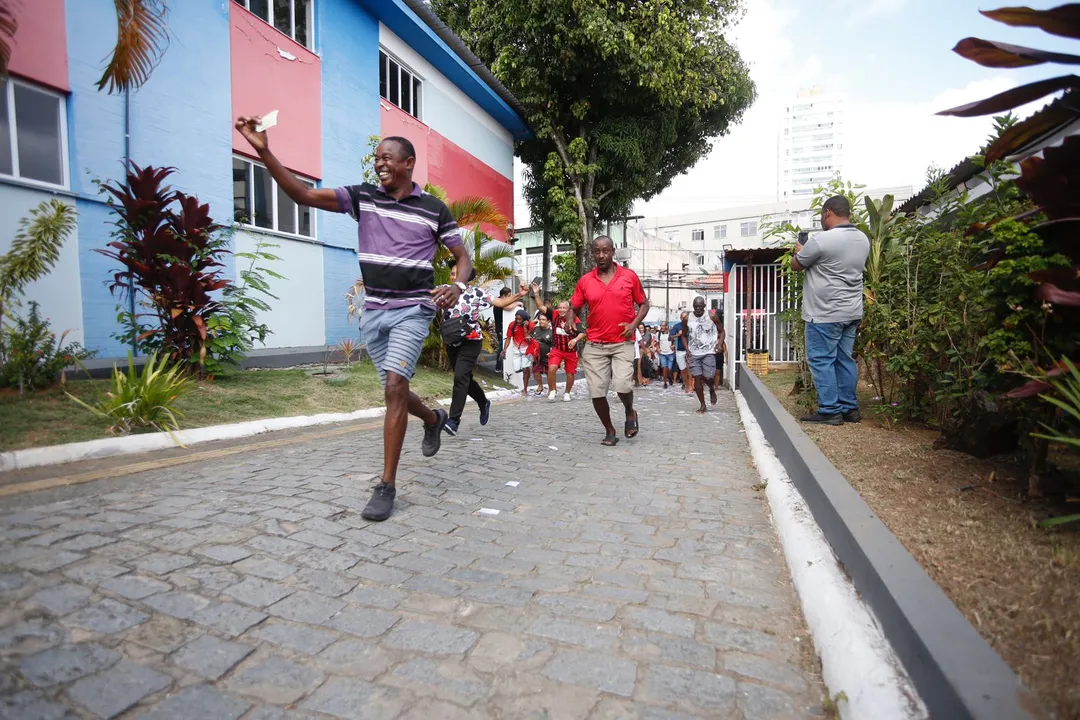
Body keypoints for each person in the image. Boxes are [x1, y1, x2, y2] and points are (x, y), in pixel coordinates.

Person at [234, 118, 470, 523]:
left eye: (388, 159)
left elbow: (461, 257)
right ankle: (433, 418)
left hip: (413, 308)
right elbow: (303, 194)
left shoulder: (434, 209)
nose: (380, 164)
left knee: (396, 387)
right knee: (394, 392)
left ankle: (387, 485)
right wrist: (263, 150)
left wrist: (458, 287)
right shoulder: (363, 198)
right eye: (377, 158)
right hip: (375, 312)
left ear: (408, 163)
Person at [791, 195, 870, 425]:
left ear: (828, 213)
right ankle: (849, 409)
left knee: (820, 359)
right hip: (852, 311)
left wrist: (799, 251)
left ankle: (830, 410)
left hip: (824, 313)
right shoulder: (862, 239)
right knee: (844, 359)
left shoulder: (821, 240)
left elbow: (797, 265)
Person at [568, 236, 650, 446]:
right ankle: (610, 430)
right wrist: (570, 318)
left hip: (622, 341)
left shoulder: (629, 277)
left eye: (606, 251)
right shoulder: (586, 281)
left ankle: (630, 411)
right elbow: (575, 306)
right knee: (596, 392)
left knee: (622, 385)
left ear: (613, 251)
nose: (601, 256)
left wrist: (633, 325)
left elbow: (643, 304)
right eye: (597, 252)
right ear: (592, 253)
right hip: (595, 344)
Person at [442, 259, 528, 435]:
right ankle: (483, 402)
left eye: (455, 273)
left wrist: (519, 295)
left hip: (471, 341)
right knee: (464, 378)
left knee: (460, 378)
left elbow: (500, 303)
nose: (452, 277)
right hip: (452, 342)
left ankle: (453, 421)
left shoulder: (477, 293)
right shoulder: (445, 290)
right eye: (451, 273)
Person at [532, 287, 585, 402]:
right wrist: (536, 294)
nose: (561, 310)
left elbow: (582, 333)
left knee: (570, 373)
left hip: (570, 351)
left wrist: (575, 340)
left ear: (568, 309)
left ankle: (567, 393)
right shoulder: (554, 314)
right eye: (560, 307)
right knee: (552, 368)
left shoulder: (573, 318)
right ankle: (552, 390)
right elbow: (541, 307)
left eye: (564, 308)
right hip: (557, 349)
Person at [686, 297, 724, 413]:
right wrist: (687, 348)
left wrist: (720, 344)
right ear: (693, 306)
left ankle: (711, 388)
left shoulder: (711, 316)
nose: (698, 308)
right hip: (694, 353)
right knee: (697, 378)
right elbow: (682, 334)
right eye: (696, 306)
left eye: (700, 306)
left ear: (704, 306)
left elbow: (722, 331)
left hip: (708, 352)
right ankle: (703, 405)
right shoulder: (687, 318)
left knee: (708, 377)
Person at [502, 309, 536, 396]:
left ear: (524, 319)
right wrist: (504, 349)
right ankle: (528, 371)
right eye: (516, 318)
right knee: (517, 369)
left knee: (524, 368)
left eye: (520, 319)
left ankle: (525, 389)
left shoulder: (531, 325)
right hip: (516, 350)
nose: (518, 321)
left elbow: (529, 339)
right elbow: (508, 338)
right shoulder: (512, 325)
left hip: (527, 350)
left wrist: (525, 328)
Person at [530, 312, 554, 396]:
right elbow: (529, 336)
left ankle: (551, 388)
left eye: (543, 320)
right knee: (535, 371)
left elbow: (555, 345)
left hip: (548, 356)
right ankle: (540, 386)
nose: (541, 321)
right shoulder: (535, 329)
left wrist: (551, 352)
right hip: (537, 356)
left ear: (548, 321)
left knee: (549, 373)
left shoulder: (552, 332)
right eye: (540, 319)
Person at [670, 313, 693, 394]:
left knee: (690, 369)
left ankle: (690, 386)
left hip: (690, 350)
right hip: (680, 350)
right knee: (683, 370)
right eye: (683, 317)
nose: (685, 319)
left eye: (686, 317)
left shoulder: (692, 325)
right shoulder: (677, 326)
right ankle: (686, 385)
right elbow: (670, 337)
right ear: (680, 318)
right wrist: (678, 334)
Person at [657, 321, 676, 388]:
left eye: (663, 325)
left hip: (670, 353)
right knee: (664, 368)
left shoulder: (670, 333)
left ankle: (669, 377)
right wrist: (658, 348)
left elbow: (674, 341)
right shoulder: (658, 333)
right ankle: (665, 382)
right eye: (661, 325)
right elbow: (657, 343)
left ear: (666, 326)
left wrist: (673, 346)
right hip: (662, 354)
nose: (662, 327)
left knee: (669, 369)